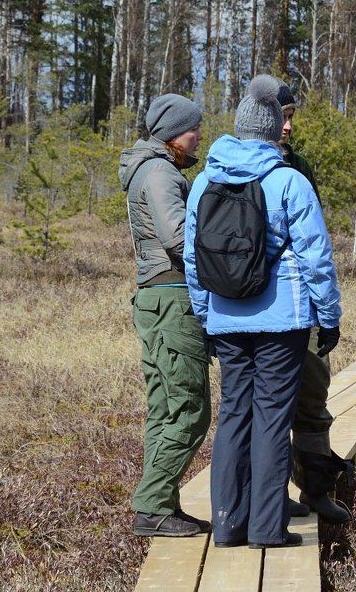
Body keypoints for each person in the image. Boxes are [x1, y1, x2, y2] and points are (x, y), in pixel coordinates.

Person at [183, 75, 342, 549]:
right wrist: (328, 317)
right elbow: (316, 255)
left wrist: (204, 315)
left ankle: (228, 525)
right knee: (273, 417)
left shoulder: (205, 181)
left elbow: (194, 258)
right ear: (273, 129)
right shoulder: (288, 180)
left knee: (234, 415)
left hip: (227, 319)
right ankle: (268, 529)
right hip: (282, 322)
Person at [119, 93, 212, 538]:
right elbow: (180, 237)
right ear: (176, 132)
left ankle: (161, 505)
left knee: (165, 407)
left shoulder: (156, 169)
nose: (199, 137)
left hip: (159, 299)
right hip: (173, 299)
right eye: (194, 129)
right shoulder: (159, 172)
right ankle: (153, 504)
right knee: (190, 409)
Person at [277, 84, 352, 523]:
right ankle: (269, 494)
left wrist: (326, 313)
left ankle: (316, 490)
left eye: (292, 116)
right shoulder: (229, 168)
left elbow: (315, 244)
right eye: (281, 116)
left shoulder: (300, 167)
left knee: (312, 398)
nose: (288, 125)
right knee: (265, 406)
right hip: (259, 313)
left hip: (301, 308)